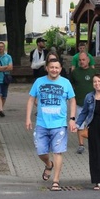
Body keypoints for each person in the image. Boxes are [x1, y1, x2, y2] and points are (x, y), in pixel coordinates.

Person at [25, 57, 77, 191]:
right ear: (47, 68)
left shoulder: (66, 83)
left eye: (57, 68)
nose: (54, 70)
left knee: (58, 152)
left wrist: (72, 118)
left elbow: (72, 100)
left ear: (60, 69)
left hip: (59, 124)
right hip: (42, 124)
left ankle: (56, 180)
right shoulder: (39, 82)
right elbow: (31, 100)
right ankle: (49, 164)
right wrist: (28, 118)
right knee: (41, 151)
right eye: (52, 67)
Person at [70, 52, 96, 155]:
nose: (81, 62)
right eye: (80, 60)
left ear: (88, 60)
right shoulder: (75, 72)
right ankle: (81, 145)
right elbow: (70, 85)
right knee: (79, 124)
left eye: (83, 60)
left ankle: (94, 144)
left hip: (93, 103)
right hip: (79, 102)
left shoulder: (94, 72)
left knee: (93, 124)